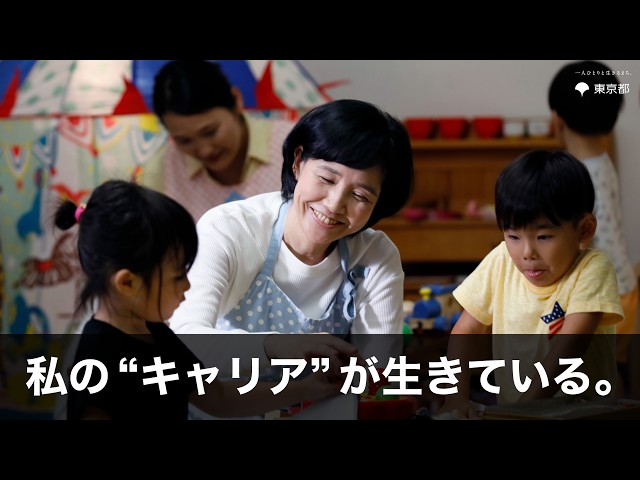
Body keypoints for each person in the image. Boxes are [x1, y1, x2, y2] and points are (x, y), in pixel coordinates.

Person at [168, 98, 414, 416]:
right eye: (327, 179)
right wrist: (276, 346)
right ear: (298, 162)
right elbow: (185, 340)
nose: (334, 205)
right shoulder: (230, 228)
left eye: (359, 195)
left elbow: (377, 369)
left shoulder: (375, 256)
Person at [54, 179, 344, 420]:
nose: (187, 285)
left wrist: (307, 388)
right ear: (128, 283)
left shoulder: (155, 333)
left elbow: (219, 397)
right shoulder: (96, 361)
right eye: (177, 276)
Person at [436, 150, 624, 419]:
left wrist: (523, 409)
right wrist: (456, 398)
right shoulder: (501, 260)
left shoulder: (593, 267)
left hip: (583, 413)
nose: (527, 253)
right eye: (513, 236)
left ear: (584, 229)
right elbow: (467, 328)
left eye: (544, 236)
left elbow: (572, 343)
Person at [548, 60, 639, 392]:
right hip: (626, 287)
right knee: (606, 367)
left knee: (591, 373)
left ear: (556, 119)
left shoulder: (575, 176)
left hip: (602, 295)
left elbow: (577, 243)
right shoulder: (603, 163)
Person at [146, 60, 296, 221]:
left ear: (236, 100)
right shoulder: (160, 174)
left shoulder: (297, 145)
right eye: (184, 141)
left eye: (210, 132)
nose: (205, 150)